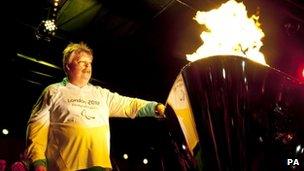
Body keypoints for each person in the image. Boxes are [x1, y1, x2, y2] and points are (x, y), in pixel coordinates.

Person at [24, 42, 165, 171]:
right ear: (67, 65)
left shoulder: (101, 94)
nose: (87, 66)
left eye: (89, 63)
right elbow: (36, 128)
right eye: (82, 62)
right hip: (66, 166)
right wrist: (38, 161)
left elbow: (129, 104)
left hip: (99, 166)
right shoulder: (53, 91)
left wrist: (155, 107)